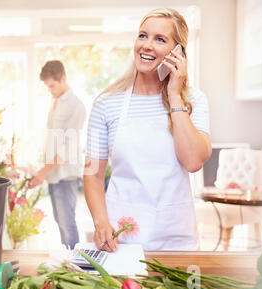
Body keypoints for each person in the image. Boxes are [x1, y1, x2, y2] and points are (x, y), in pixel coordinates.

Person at [84, 8, 212, 252]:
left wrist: (175, 95)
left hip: (177, 237)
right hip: (122, 237)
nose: (147, 45)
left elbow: (194, 161)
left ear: (178, 53)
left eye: (160, 39)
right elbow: (93, 173)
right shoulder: (106, 104)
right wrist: (101, 222)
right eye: (143, 36)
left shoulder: (194, 100)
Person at [29, 60, 87, 250]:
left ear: (63, 79)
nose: (50, 90)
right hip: (54, 173)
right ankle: (67, 260)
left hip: (66, 174)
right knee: (59, 219)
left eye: (52, 85)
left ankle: (75, 268)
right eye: (47, 86)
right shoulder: (55, 102)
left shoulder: (76, 105)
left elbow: (68, 148)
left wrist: (42, 172)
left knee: (66, 222)